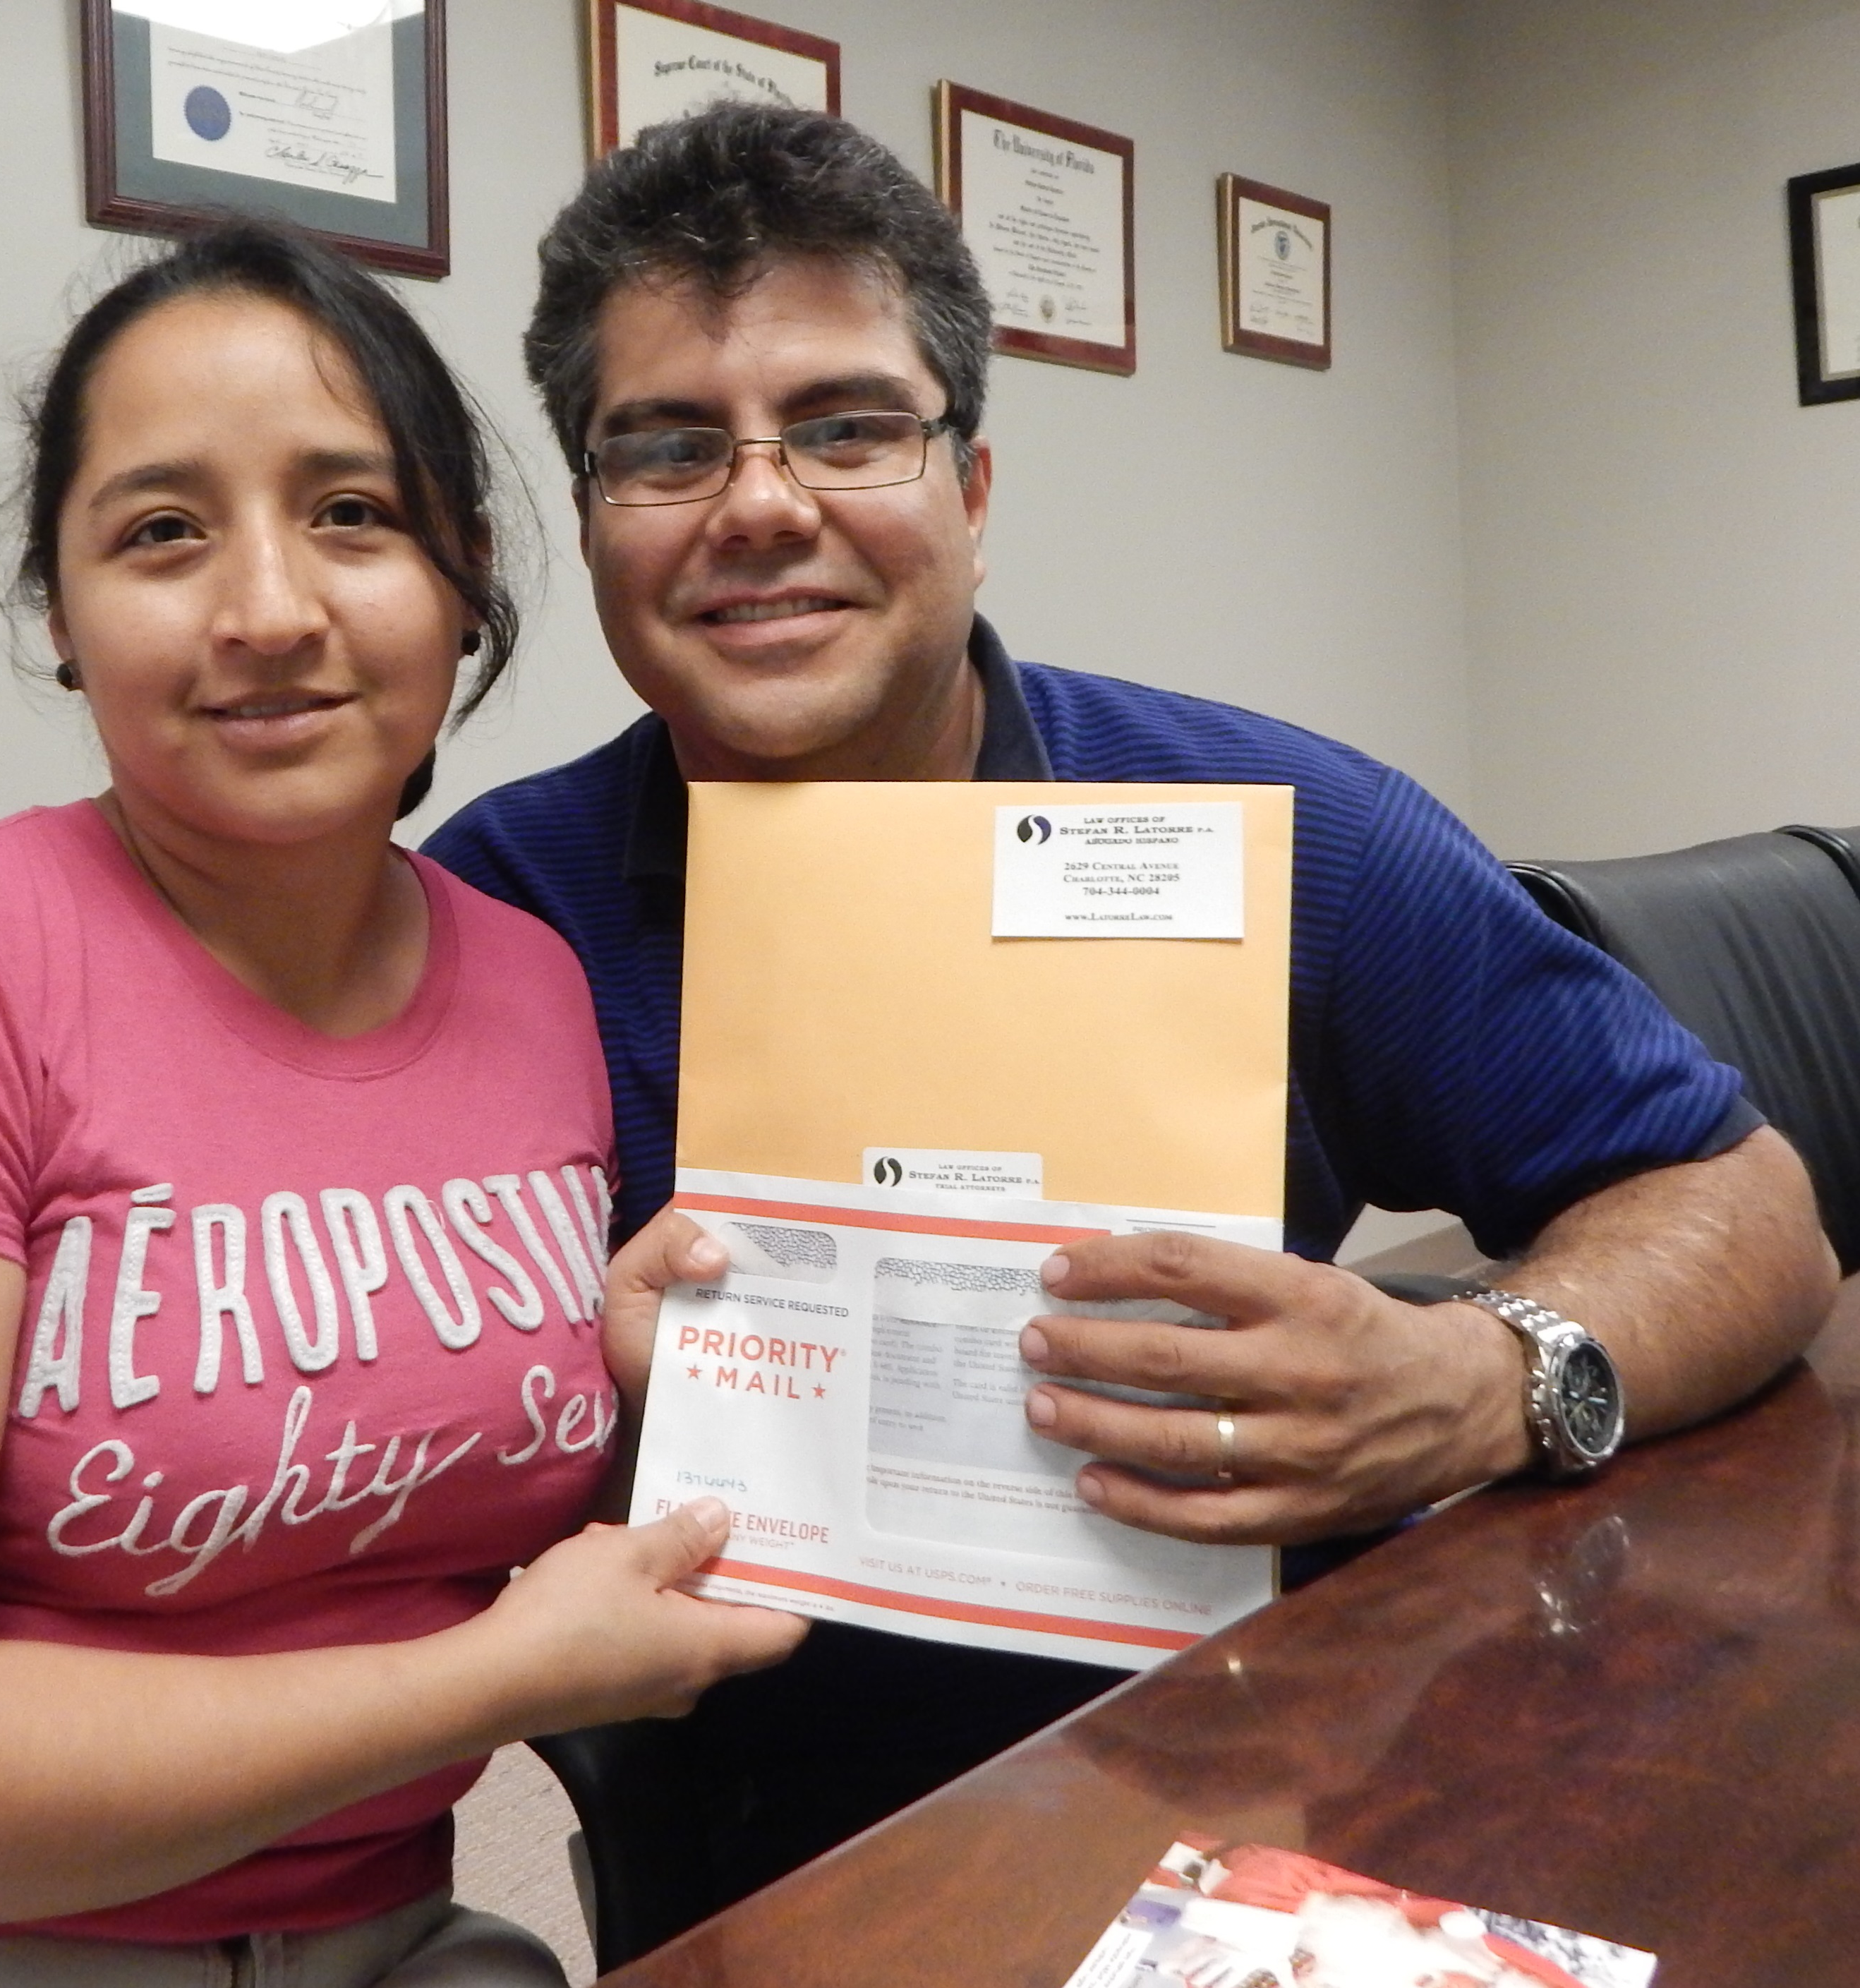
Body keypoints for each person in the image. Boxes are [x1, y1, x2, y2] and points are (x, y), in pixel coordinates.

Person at [423, 102, 1835, 1912]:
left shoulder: (1293, 837)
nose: (762, 505)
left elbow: (1749, 1202)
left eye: (849, 426)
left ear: (976, 494)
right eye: (668, 448)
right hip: (777, 1862)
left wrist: (1487, 1374)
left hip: (1299, 1796)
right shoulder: (479, 913)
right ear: (597, 523)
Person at [0, 213, 802, 1988]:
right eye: (161, 532)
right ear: (63, 617)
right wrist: (504, 1678)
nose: (271, 610)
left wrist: (599, 1358)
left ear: (465, 579)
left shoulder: (529, 979)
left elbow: (381, 1455)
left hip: (364, 1927)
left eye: (352, 514)